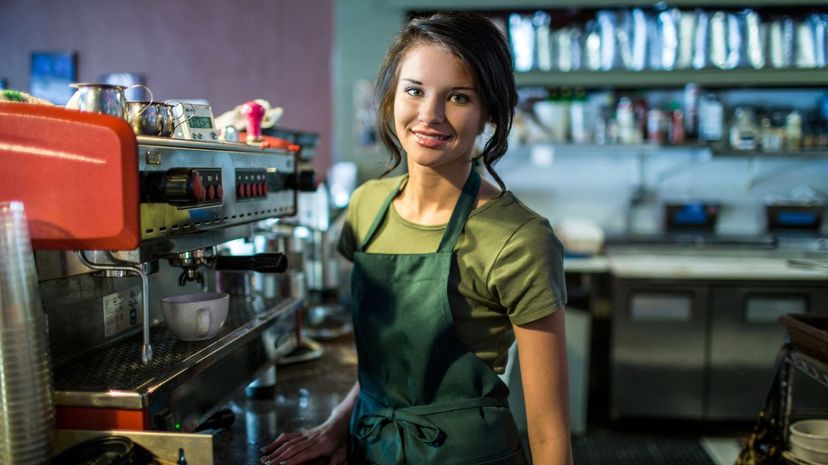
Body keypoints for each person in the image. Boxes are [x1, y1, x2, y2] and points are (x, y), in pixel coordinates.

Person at [261, 11, 571, 465]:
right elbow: (386, 368)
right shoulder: (366, 207)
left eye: (459, 97)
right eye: (414, 90)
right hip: (370, 448)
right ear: (390, 98)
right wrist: (336, 427)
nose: (430, 115)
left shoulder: (520, 239)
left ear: (490, 112)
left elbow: (549, 433)